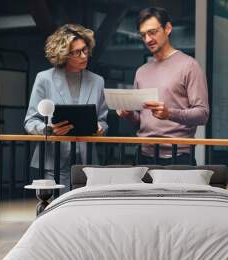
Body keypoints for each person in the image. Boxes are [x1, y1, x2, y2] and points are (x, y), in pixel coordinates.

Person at [117, 7, 209, 165]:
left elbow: (203, 114)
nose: (147, 39)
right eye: (143, 35)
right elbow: (143, 119)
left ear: (168, 28)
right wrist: (129, 114)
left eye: (152, 32)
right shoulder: (141, 71)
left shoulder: (189, 65)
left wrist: (170, 113)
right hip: (143, 156)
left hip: (178, 156)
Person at [24, 24, 108, 192]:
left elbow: (103, 120)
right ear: (63, 55)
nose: (84, 55)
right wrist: (49, 129)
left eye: (85, 49)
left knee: (84, 210)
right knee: (55, 208)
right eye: (76, 52)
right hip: (52, 159)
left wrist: (101, 128)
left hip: (87, 160)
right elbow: (30, 121)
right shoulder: (44, 79)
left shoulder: (98, 81)